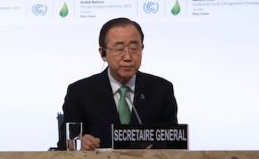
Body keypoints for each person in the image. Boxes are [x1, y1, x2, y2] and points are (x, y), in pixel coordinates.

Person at [60, 17, 178, 150]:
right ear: (103, 54)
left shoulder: (161, 90)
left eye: (134, 48)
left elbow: (174, 143)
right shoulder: (80, 92)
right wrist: (80, 143)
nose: (128, 57)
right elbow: (64, 145)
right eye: (119, 49)